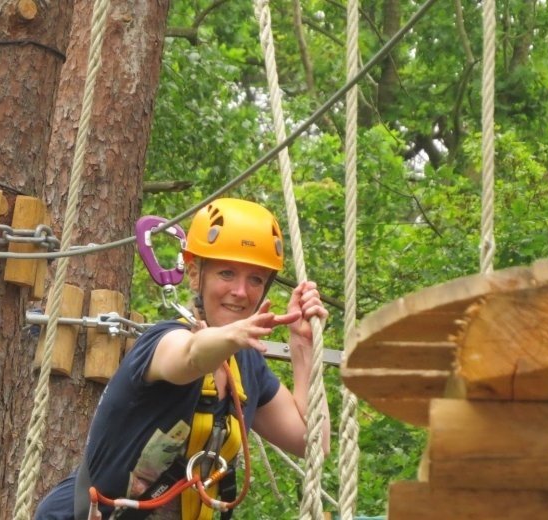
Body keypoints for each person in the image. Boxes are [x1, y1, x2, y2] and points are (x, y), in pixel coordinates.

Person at [35, 198, 330, 519]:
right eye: (227, 273)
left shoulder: (247, 367)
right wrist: (232, 336)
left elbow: (312, 443)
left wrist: (304, 350)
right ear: (194, 273)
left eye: (256, 279)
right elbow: (190, 356)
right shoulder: (162, 343)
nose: (241, 292)